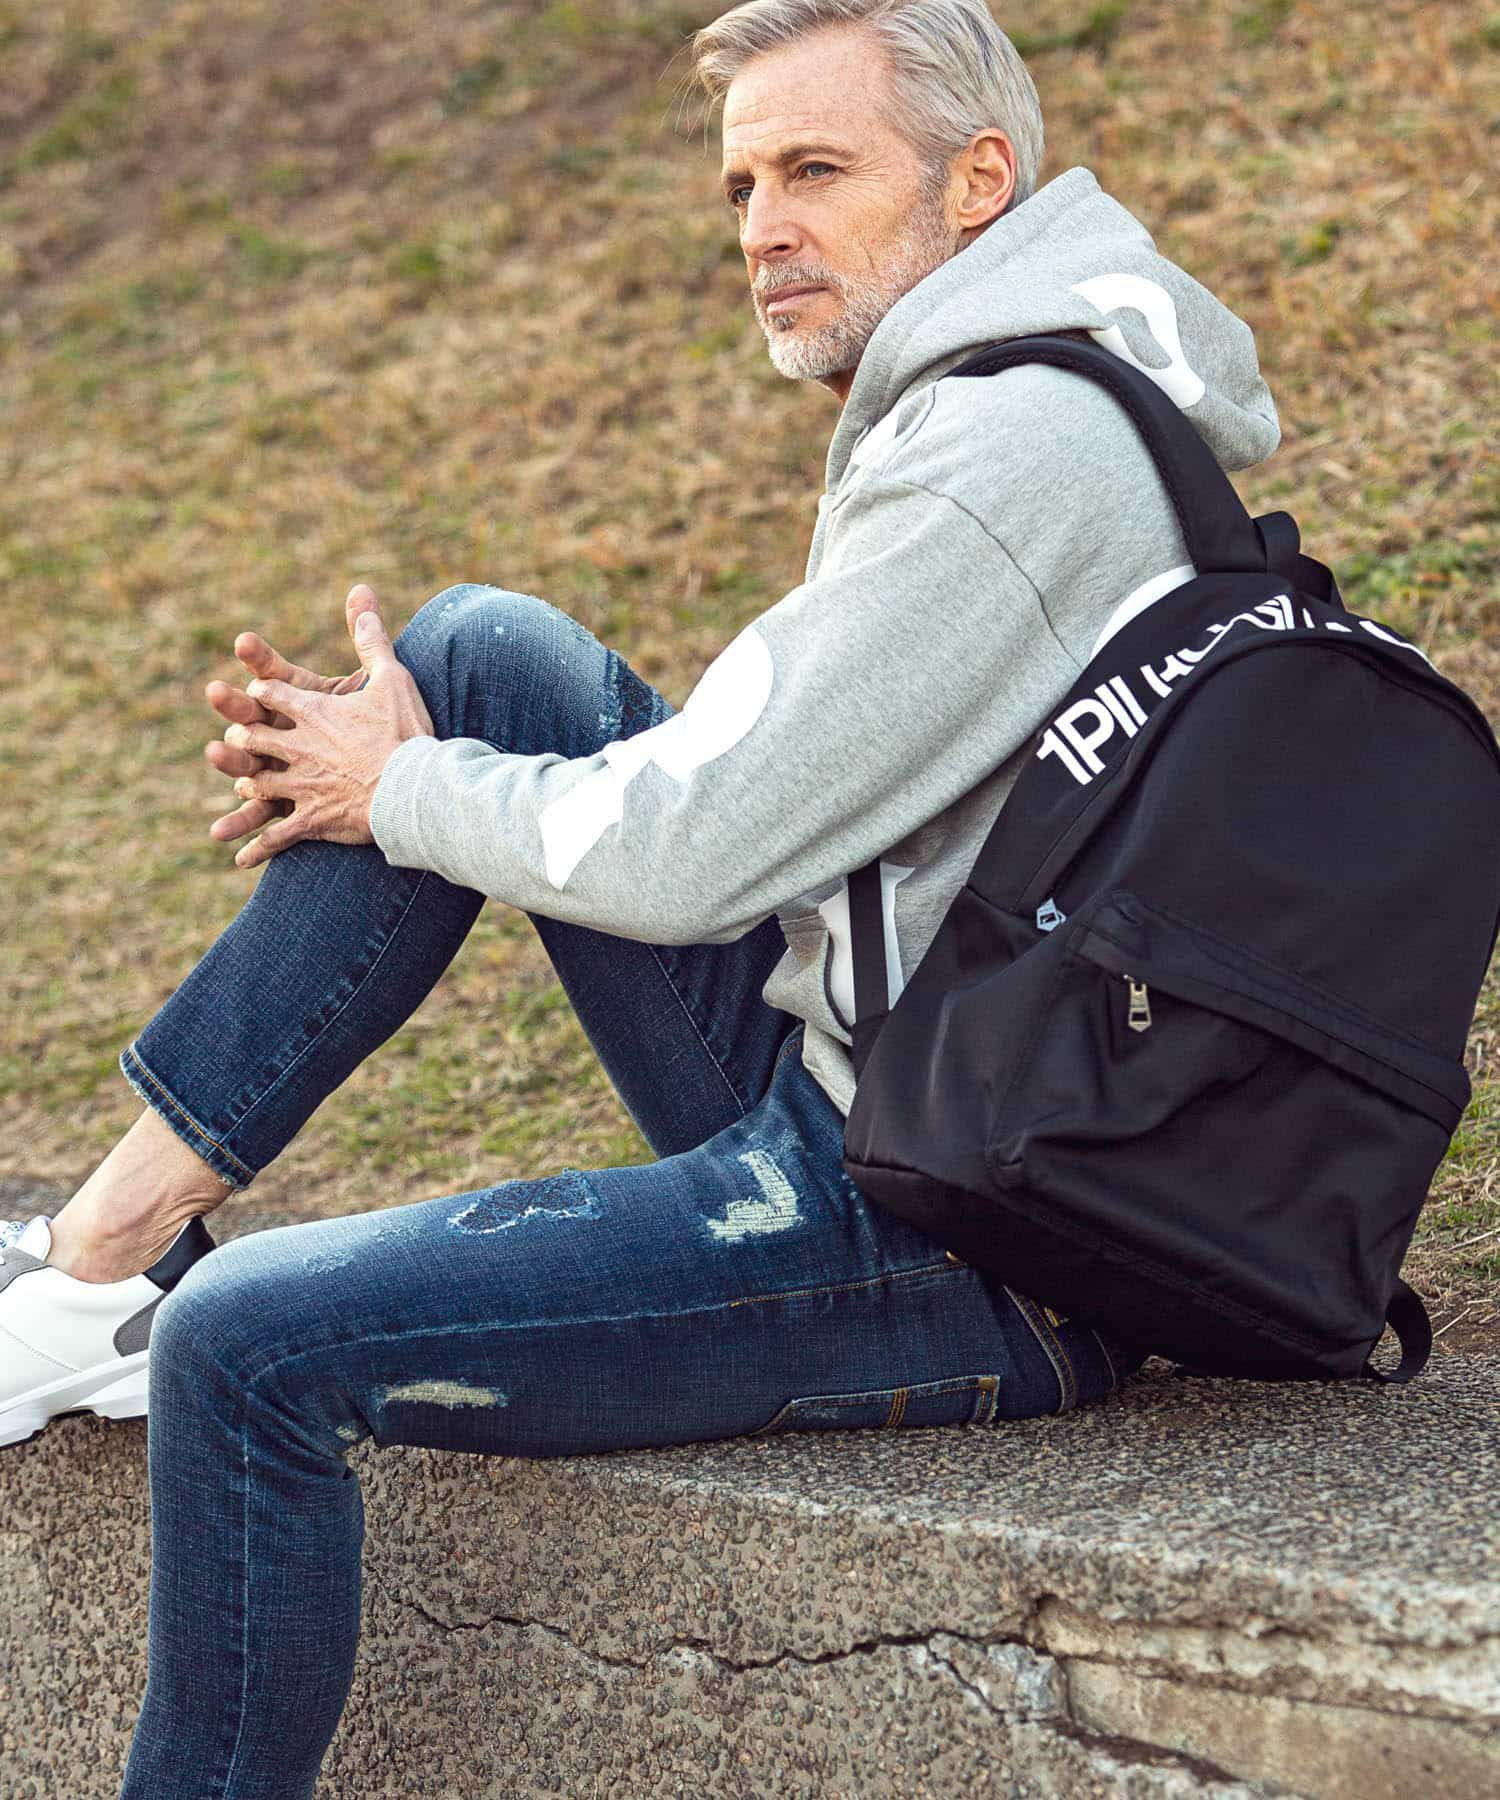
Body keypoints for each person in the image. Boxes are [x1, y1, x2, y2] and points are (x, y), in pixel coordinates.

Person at [0, 1, 1283, 1792]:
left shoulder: (1010, 461)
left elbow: (697, 850)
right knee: (481, 658)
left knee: (243, 1345)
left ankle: (130, 1293)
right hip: (932, 1088)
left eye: (815, 170)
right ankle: (103, 1253)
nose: (763, 227)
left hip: (971, 1230)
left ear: (979, 181)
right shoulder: (1033, 391)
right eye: (744, 185)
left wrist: (398, 791)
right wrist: (406, 765)